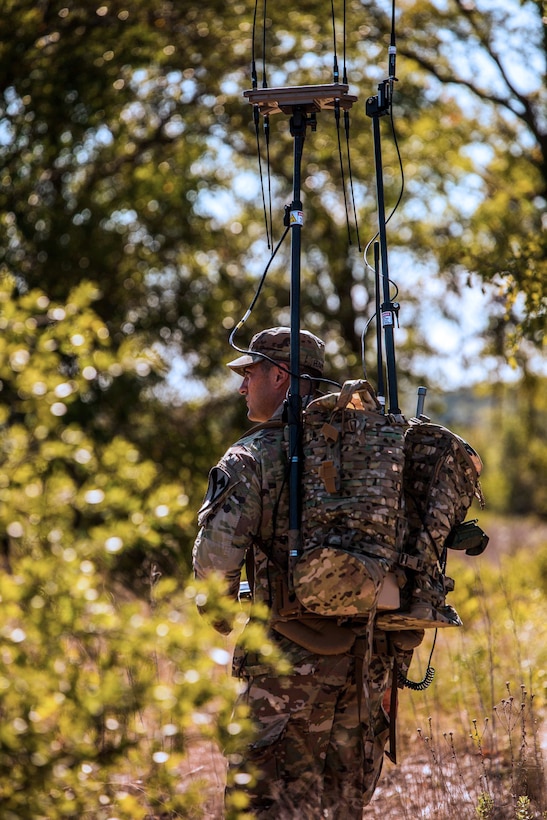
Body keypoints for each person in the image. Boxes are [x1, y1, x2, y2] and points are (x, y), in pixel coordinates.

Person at [193, 327, 410, 819]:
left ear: (280, 374)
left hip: (284, 661)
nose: (241, 387)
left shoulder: (252, 456)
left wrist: (221, 610)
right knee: (339, 803)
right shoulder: (366, 447)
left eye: (249, 374)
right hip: (365, 656)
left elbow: (214, 561)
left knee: (263, 803)